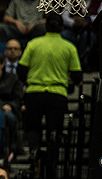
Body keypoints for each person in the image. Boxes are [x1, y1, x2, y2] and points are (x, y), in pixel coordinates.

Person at [17, 12, 82, 169]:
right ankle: (52, 158)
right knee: (55, 129)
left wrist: (27, 80)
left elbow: (21, 69)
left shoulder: (34, 44)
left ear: (45, 26)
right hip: (57, 94)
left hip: (34, 92)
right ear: (61, 28)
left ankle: (35, 153)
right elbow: (78, 76)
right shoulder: (69, 47)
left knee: (32, 127)